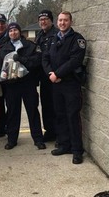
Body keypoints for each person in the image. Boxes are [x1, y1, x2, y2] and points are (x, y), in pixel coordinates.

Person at [42, 11, 86, 164]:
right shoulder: (53, 39)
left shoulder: (77, 39)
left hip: (70, 84)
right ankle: (64, 145)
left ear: (70, 22)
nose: (62, 23)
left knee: (72, 116)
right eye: (60, 20)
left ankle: (76, 150)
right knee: (59, 115)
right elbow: (45, 58)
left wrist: (58, 74)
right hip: (56, 84)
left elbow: (75, 61)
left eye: (65, 20)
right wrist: (50, 74)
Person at [0, 22, 46, 150]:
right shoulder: (3, 49)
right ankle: (12, 140)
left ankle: (38, 139)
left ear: (20, 32)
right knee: (12, 112)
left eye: (15, 30)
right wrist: (2, 78)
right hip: (11, 85)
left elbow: (37, 62)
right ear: (8, 33)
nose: (13, 33)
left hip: (27, 83)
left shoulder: (30, 46)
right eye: (11, 31)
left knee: (33, 111)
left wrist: (22, 59)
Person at [35, 10, 59, 142]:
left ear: (51, 20)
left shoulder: (56, 35)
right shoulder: (39, 35)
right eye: (41, 20)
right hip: (43, 77)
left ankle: (59, 134)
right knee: (46, 105)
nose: (43, 22)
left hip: (54, 75)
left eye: (45, 19)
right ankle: (50, 131)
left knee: (57, 106)